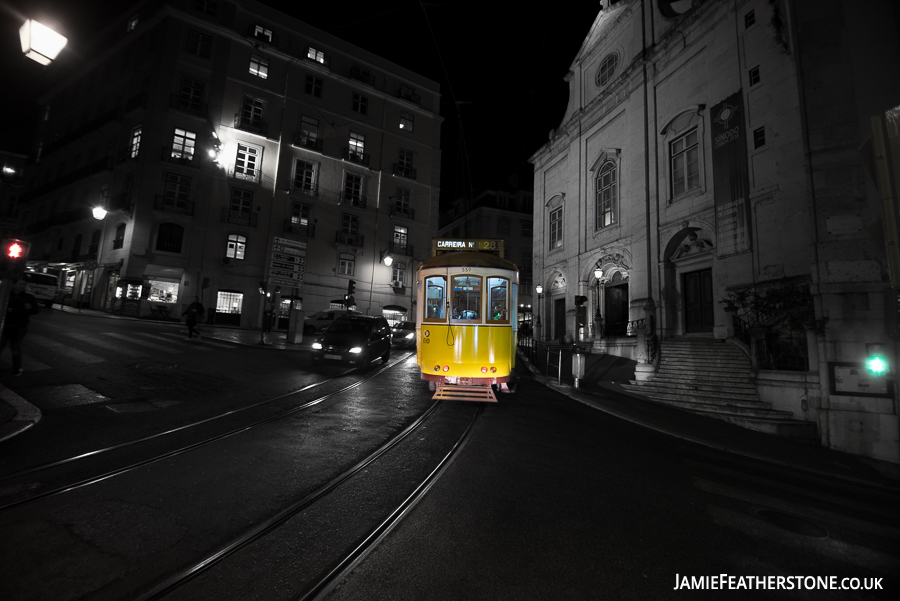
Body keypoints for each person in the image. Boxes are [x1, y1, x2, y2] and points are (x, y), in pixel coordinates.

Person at [1, 279, 40, 376]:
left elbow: (35, 310)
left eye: (24, 284)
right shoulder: (6, 295)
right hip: (5, 324)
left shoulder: (29, 297)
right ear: (14, 284)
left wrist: (15, 310)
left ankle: (17, 368)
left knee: (15, 347)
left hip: (20, 326)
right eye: (20, 284)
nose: (22, 286)